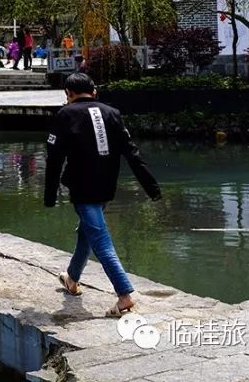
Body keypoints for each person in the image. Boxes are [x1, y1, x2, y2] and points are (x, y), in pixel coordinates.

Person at [44, 73, 161, 317]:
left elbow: (54, 159)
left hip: (83, 188)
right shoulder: (112, 113)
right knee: (86, 232)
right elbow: (132, 154)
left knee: (100, 239)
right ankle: (72, 279)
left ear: (68, 93)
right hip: (106, 186)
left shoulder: (65, 115)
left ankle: (124, 296)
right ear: (94, 91)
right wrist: (152, 188)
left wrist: (50, 196)